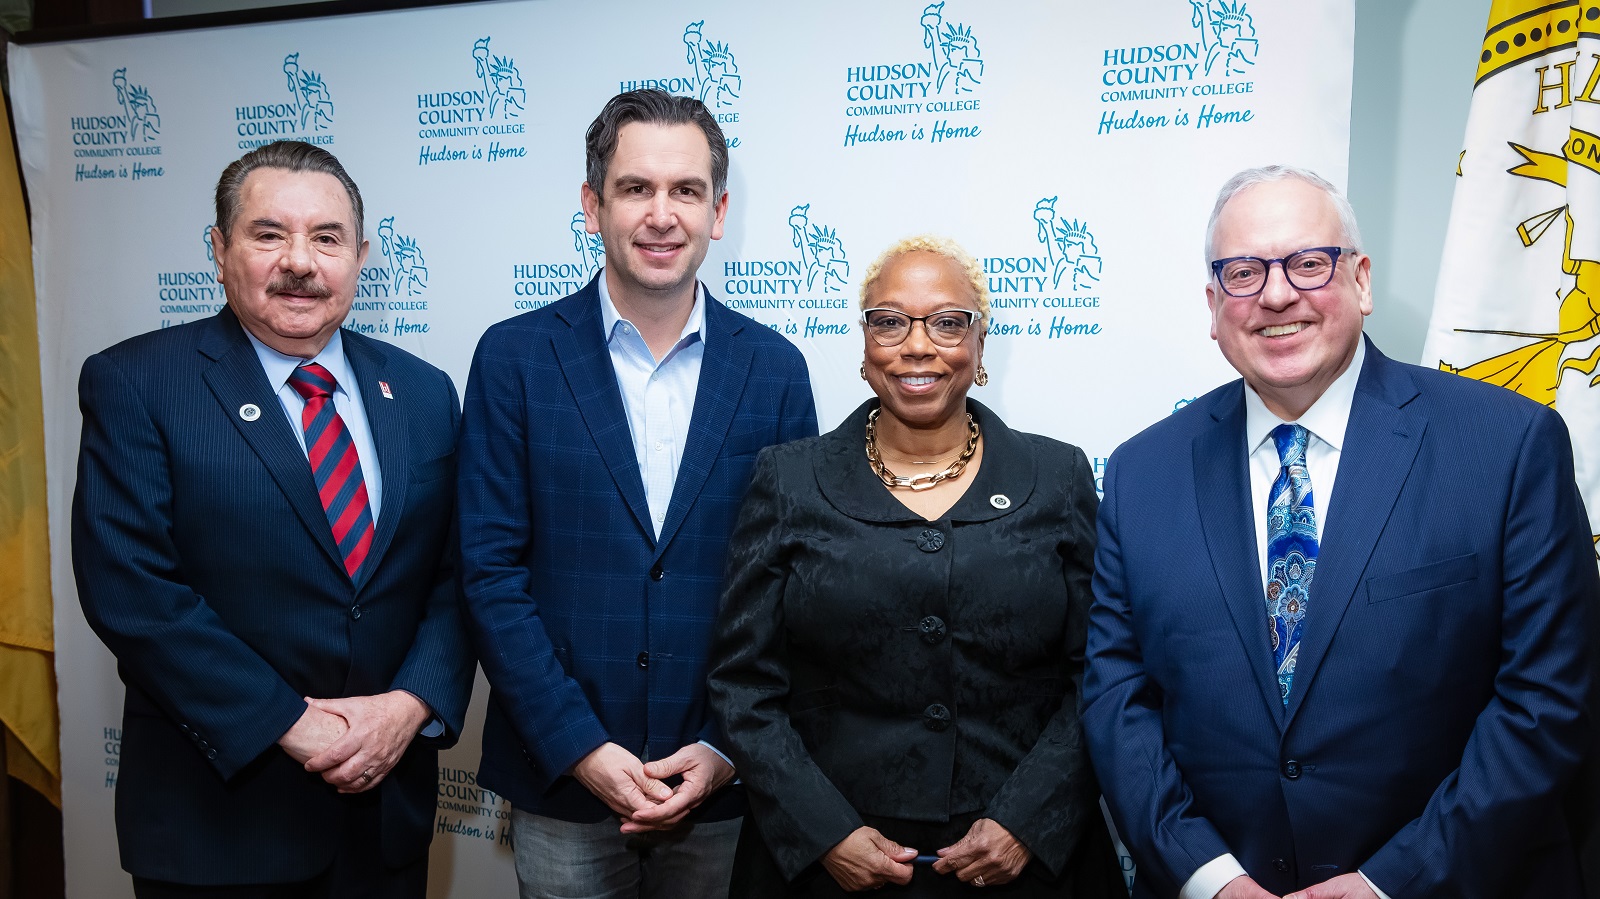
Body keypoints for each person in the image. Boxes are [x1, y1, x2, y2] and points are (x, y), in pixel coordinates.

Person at [1082, 165, 1600, 899]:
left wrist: (1390, 882)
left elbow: (1547, 699)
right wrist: (1211, 878)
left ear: (1359, 279)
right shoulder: (1141, 474)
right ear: (1212, 303)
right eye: (1243, 271)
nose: (1275, 293)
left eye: (1307, 262)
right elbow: (1117, 699)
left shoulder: (1506, 447)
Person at [71, 140, 474, 898]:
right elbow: (131, 589)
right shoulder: (138, 382)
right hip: (219, 825)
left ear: (360, 254)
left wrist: (409, 704)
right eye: (268, 234)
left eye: (326, 237)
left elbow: (457, 576)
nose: (300, 261)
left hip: (384, 817)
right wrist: (290, 720)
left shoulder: (423, 392)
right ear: (220, 250)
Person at [457, 88, 818, 899]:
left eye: (686, 190)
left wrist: (727, 746)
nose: (663, 214)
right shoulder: (513, 359)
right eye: (635, 188)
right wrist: (581, 745)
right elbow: (487, 571)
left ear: (718, 212)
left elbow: (793, 581)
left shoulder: (775, 370)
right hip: (562, 781)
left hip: (719, 787)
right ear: (593, 205)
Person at [708, 236, 1122, 896]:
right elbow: (742, 684)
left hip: (1026, 864)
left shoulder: (1058, 478)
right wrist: (824, 832)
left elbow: (1102, 673)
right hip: (833, 866)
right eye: (890, 320)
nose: (918, 344)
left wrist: (1027, 820)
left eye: (948, 322)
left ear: (980, 347)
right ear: (866, 348)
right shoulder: (788, 480)